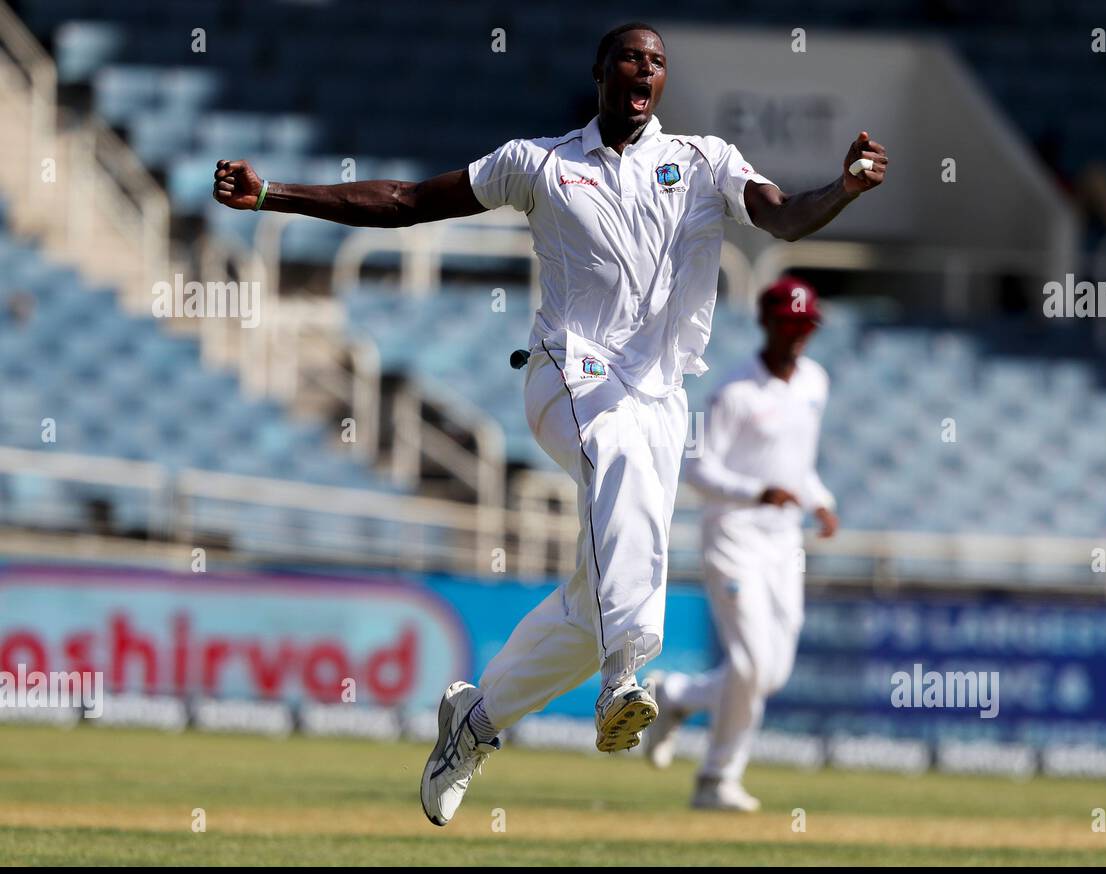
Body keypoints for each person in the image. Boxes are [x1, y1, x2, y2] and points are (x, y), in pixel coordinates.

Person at [211, 22, 886, 827]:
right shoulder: (539, 163)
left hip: (660, 398)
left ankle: (474, 722)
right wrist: (272, 194)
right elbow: (407, 201)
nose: (646, 68)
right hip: (568, 373)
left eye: (658, 61)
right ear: (602, 72)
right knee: (622, 469)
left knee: (587, 605)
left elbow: (782, 217)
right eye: (631, 57)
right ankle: (627, 681)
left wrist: (842, 188)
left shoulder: (705, 162)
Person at [643, 277, 837, 811]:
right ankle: (715, 779)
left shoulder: (815, 382)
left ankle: (676, 696)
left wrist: (818, 499)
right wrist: (757, 493)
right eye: (788, 325)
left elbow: (800, 464)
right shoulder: (733, 391)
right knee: (750, 664)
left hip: (784, 543)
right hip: (733, 538)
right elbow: (697, 469)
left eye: (806, 326)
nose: (798, 337)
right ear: (767, 324)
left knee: (771, 672)